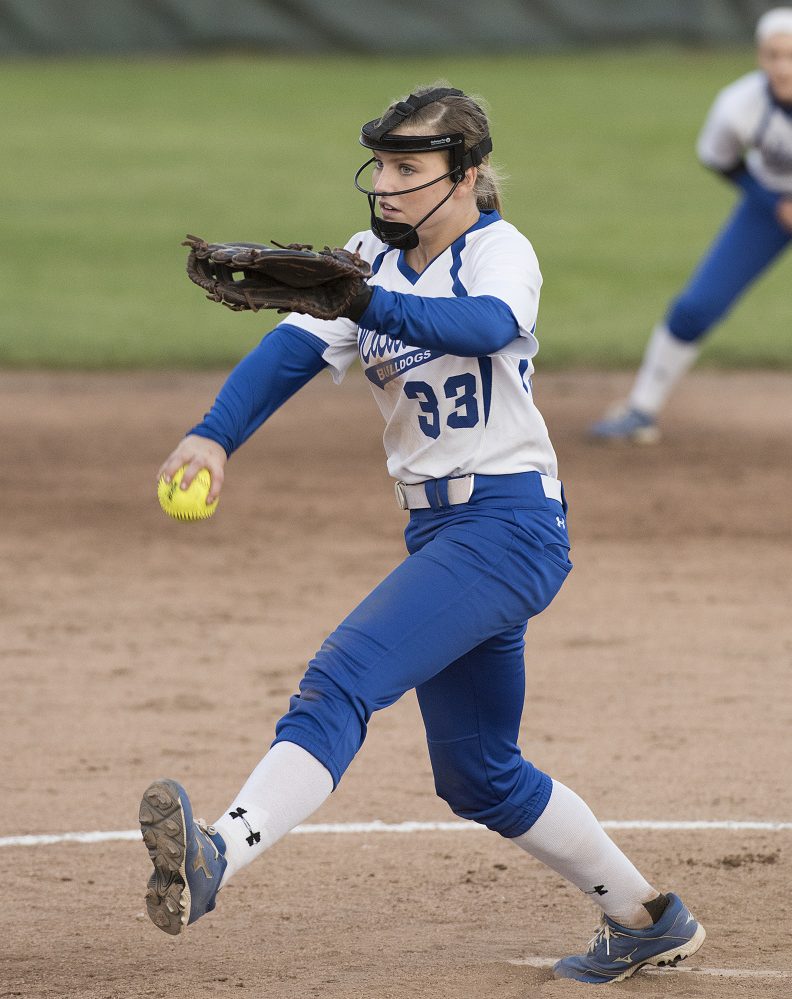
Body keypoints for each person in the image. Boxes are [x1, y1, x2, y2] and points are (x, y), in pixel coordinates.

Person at [139, 84, 705, 984]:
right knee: (479, 773)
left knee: (341, 678)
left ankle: (215, 856)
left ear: (467, 178)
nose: (387, 188)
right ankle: (645, 919)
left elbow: (482, 326)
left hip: (510, 526)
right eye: (382, 169)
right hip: (441, 536)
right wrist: (214, 432)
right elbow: (287, 353)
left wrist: (363, 304)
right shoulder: (369, 262)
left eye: (410, 169)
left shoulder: (496, 250)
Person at [591, 7, 792, 443]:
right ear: (760, 57)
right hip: (770, 210)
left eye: (791, 55)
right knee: (697, 306)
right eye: (774, 54)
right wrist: (774, 202)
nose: (783, 66)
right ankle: (641, 410)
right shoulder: (739, 105)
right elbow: (719, 159)